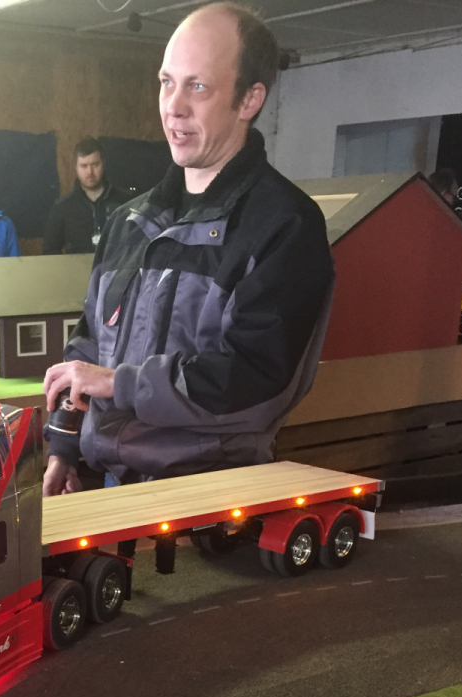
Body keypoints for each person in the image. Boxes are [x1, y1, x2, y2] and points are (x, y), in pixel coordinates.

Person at [42, 1, 334, 501]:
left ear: (249, 99)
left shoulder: (284, 225)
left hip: (211, 502)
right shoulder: (128, 223)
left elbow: (253, 377)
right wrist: (63, 449)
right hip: (112, 486)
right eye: (166, 82)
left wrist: (120, 384)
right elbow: (88, 346)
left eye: (197, 86)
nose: (173, 106)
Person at [42, 137, 129, 255]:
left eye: (95, 164)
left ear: (103, 163)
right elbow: (50, 250)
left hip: (117, 266)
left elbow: (139, 242)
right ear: (76, 167)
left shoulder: (125, 202)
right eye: (84, 166)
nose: (90, 172)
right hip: (77, 267)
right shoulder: (63, 207)